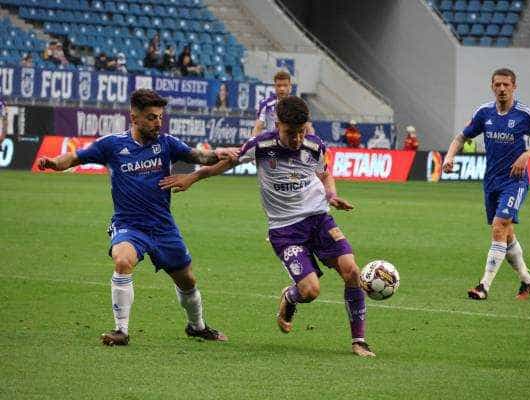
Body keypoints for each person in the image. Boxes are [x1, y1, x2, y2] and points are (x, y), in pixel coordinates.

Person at [159, 96, 376, 357]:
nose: (296, 138)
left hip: (319, 218)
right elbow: (226, 163)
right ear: (277, 124)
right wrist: (192, 177)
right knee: (310, 291)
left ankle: (359, 341)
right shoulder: (261, 145)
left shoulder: (314, 145)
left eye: (300, 132)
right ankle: (290, 297)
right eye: (289, 132)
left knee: (352, 271)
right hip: (285, 230)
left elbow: (325, 173)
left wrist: (331, 195)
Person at [36, 89, 238, 346]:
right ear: (134, 117)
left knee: (188, 280)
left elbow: (199, 156)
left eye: (160, 117)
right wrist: (54, 163)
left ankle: (197, 326)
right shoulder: (112, 145)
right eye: (152, 117)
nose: (158, 123)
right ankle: (121, 330)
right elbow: (75, 157)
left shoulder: (166, 143)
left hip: (163, 227)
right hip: (129, 225)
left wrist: (219, 153)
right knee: (123, 260)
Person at [442, 68, 530, 301]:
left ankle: (484, 286)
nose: (502, 89)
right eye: (498, 85)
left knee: (499, 225)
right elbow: (461, 137)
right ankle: (527, 280)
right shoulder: (484, 113)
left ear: (514, 86)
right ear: (492, 86)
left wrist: (526, 156)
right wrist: (450, 157)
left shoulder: (525, 114)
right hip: (491, 182)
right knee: (506, 233)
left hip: (515, 182)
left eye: (506, 85)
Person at [252, 70, 314, 136]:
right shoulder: (266, 104)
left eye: (285, 85)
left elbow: (308, 129)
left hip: (293, 142)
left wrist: (313, 144)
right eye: (279, 86)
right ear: (274, 87)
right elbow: (258, 128)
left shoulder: (299, 105)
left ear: (290, 87)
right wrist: (250, 144)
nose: (282, 89)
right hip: (272, 143)